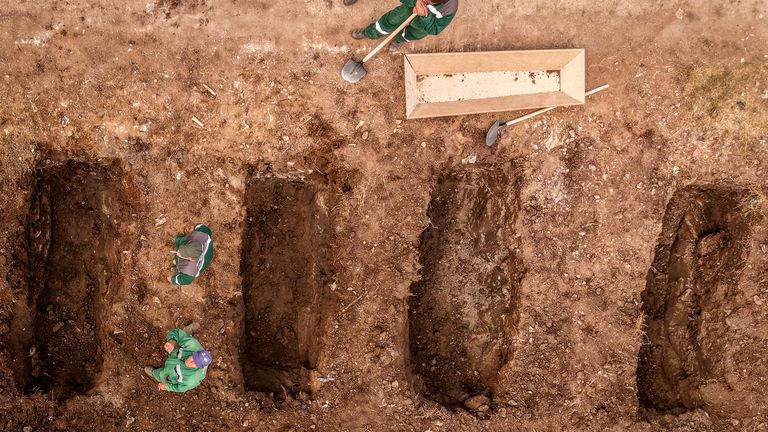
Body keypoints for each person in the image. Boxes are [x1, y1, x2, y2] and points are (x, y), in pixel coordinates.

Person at [349, 0, 458, 52]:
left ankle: (398, 40)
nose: (426, 1)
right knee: (388, 22)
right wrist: (416, 1)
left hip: (422, 26)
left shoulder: (450, 8)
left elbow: (434, 29)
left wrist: (425, 16)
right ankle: (370, 33)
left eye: (429, 1)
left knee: (412, 34)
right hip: (407, 10)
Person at [144, 324, 212, 393]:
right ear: (194, 353)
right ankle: (187, 332)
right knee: (184, 337)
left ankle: (154, 373)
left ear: (199, 367)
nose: (191, 362)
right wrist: (172, 342)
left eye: (196, 364)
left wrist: (167, 386)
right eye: (193, 359)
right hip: (175, 353)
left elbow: (180, 388)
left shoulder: (191, 380)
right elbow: (177, 332)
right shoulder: (193, 346)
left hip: (173, 374)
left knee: (162, 375)